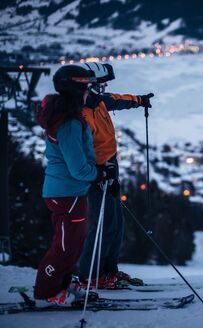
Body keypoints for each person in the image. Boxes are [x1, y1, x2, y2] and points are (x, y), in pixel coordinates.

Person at [34, 65, 115, 306]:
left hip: (70, 192)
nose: (89, 92)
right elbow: (78, 167)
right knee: (65, 247)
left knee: (74, 243)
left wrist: (99, 171)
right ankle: (46, 291)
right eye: (86, 88)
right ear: (76, 91)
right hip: (66, 192)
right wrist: (98, 173)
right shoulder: (68, 123)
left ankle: (60, 284)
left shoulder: (68, 117)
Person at [78, 62, 154, 289]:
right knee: (103, 224)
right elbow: (81, 151)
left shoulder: (99, 102)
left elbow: (119, 99)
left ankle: (109, 270)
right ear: (89, 85)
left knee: (117, 222)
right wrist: (99, 173)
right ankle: (91, 274)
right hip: (96, 174)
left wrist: (140, 100)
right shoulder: (80, 114)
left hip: (110, 168)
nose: (105, 88)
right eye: (101, 85)